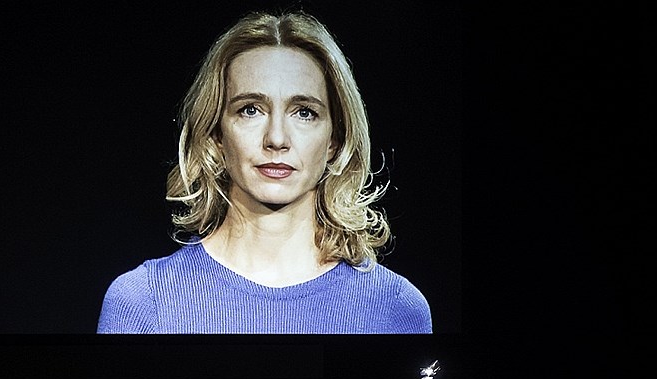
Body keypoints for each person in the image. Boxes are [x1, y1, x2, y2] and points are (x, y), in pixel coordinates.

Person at [97, 10, 432, 334]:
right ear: (216, 135)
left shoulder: (395, 308)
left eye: (304, 112)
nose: (276, 139)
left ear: (335, 140)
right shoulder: (144, 302)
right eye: (250, 110)